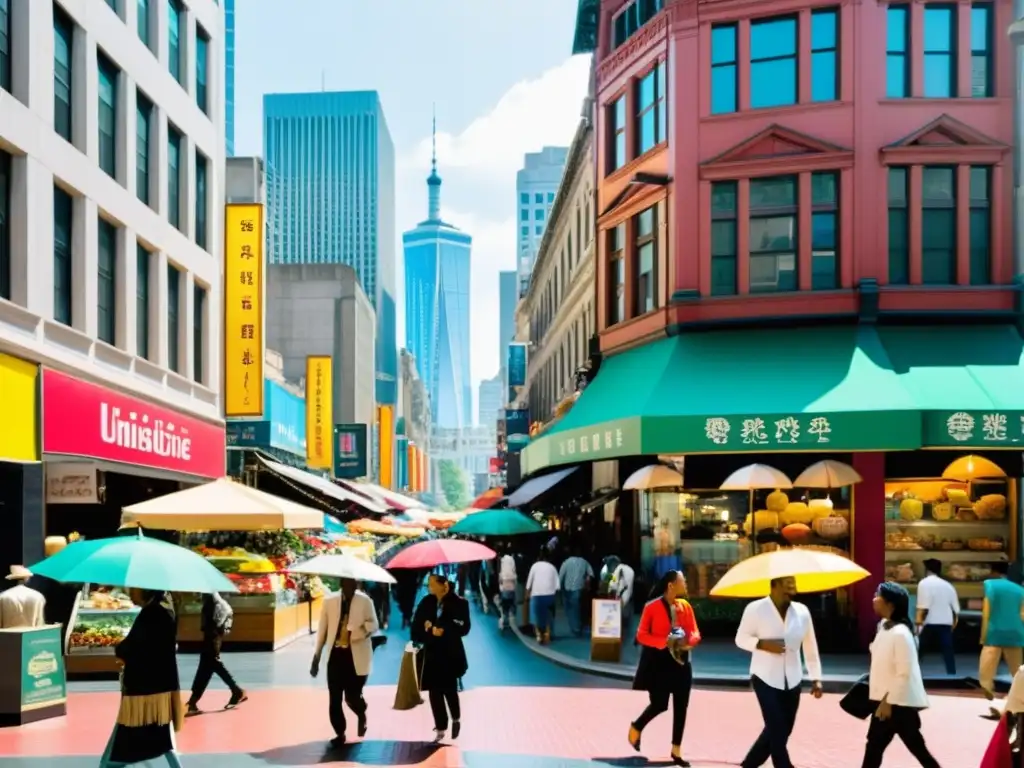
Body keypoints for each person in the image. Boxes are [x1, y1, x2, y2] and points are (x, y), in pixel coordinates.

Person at [735, 576, 823, 768]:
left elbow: (810, 646)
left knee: (784, 728)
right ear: (774, 585)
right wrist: (761, 644)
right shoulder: (756, 609)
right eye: (787, 584)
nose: (792, 589)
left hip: (793, 678)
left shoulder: (801, 612)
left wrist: (816, 678)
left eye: (793, 585)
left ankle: (750, 764)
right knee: (776, 726)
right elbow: (740, 638)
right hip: (764, 676)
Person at [99, 590, 183, 767]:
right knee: (160, 733)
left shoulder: (152, 612)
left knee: (137, 731)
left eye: (134, 589)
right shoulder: (166, 608)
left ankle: (111, 763)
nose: (131, 592)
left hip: (143, 685)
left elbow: (134, 644)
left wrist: (120, 648)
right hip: (160, 683)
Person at [629, 570, 701, 767]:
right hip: (659, 664)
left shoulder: (684, 606)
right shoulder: (651, 607)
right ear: (671, 585)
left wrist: (689, 642)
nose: (685, 583)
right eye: (682, 581)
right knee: (660, 704)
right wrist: (664, 642)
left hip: (682, 663)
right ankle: (636, 726)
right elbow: (641, 635)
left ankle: (676, 750)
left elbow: (694, 631)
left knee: (681, 706)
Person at [311, 578, 379, 747]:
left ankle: (361, 713)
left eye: (355, 584)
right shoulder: (330, 602)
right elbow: (323, 630)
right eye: (349, 584)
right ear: (342, 585)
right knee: (334, 699)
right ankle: (340, 733)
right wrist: (316, 657)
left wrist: (359, 629)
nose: (352, 588)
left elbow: (374, 624)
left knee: (352, 697)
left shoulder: (365, 601)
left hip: (356, 656)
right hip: (336, 656)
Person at [411, 574, 470, 742]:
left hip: (450, 653)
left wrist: (444, 630)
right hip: (431, 653)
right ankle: (441, 727)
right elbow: (416, 626)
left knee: (450, 689)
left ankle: (456, 718)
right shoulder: (426, 602)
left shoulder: (460, 603)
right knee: (434, 692)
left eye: (431, 583)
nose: (428, 586)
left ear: (443, 585)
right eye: (428, 583)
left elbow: (465, 628)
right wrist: (427, 630)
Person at [186, 592, 246, 715]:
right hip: (212, 635)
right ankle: (193, 701)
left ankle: (236, 690)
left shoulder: (211, 598)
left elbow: (212, 620)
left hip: (212, 635)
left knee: (211, 663)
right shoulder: (211, 597)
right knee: (206, 666)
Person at [981, 561, 1024, 719]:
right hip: (1016, 633)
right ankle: (1013, 703)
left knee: (987, 665)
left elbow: (987, 609)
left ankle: (987, 686)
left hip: (994, 632)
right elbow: (1023, 614)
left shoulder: (989, 584)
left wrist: (984, 633)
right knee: (1018, 671)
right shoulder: (1020, 590)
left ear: (993, 571)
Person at [915, 558, 959, 675]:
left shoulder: (923, 583)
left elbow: (923, 605)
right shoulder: (948, 585)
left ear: (927, 569)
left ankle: (912, 671)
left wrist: (918, 622)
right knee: (947, 649)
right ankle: (952, 673)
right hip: (946, 621)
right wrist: (954, 623)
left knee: (920, 649)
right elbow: (956, 608)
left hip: (929, 621)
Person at [559, 545, 594, 637]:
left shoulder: (566, 562)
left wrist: (559, 588)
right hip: (578, 588)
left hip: (567, 589)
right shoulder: (584, 562)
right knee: (577, 609)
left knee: (569, 609)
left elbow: (561, 576)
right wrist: (587, 582)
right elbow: (591, 574)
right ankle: (577, 628)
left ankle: (574, 628)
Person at [526, 550, 559, 644]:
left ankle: (538, 635)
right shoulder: (553, 567)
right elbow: (557, 587)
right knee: (549, 614)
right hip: (550, 596)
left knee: (535, 615)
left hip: (536, 596)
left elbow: (529, 584)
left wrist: (527, 595)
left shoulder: (534, 566)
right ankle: (549, 633)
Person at [497, 546, 518, 631]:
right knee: (511, 605)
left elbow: (500, 574)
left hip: (504, 586)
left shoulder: (502, 560)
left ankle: (503, 622)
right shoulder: (512, 560)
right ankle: (511, 622)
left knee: (504, 606)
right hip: (512, 585)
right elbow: (514, 571)